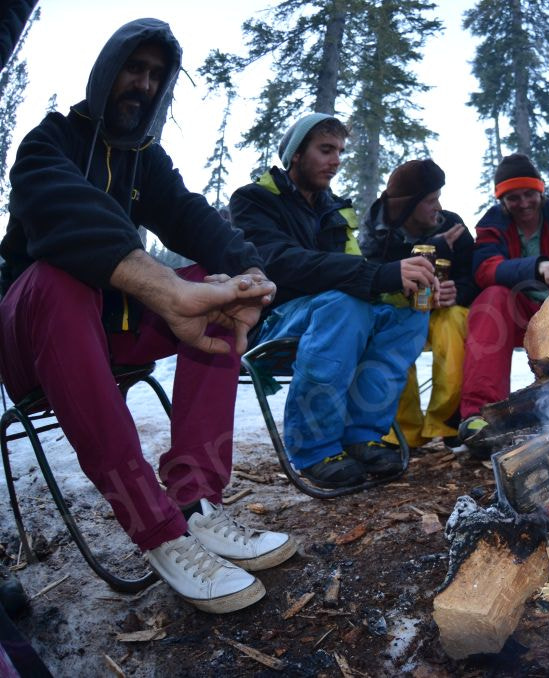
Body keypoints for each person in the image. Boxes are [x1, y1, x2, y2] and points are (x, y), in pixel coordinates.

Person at [0, 19, 295, 614]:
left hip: (112, 333)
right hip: (31, 336)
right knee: (62, 278)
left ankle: (193, 502)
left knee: (215, 294)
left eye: (156, 76)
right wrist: (155, 281)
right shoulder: (48, 141)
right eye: (134, 69)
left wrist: (249, 275)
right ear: (107, 71)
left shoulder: (146, 161)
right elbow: (65, 210)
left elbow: (193, 218)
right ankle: (156, 527)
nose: (143, 84)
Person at [230, 113, 435, 488]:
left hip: (331, 317)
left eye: (340, 150)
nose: (336, 159)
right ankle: (315, 448)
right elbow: (279, 263)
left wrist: (402, 284)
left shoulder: (335, 210)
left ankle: (361, 435)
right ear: (295, 154)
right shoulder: (254, 200)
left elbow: (355, 270)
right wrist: (381, 275)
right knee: (342, 305)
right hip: (270, 318)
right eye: (326, 149)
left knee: (410, 315)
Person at [458, 154, 549, 441]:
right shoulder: (491, 225)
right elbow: (485, 269)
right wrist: (537, 266)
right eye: (513, 198)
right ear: (502, 201)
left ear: (540, 191)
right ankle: (480, 416)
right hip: (515, 312)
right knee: (491, 298)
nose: (523, 204)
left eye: (529, 194)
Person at [359, 159, 477, 448]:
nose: (438, 207)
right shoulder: (376, 233)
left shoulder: (453, 224)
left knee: (455, 325)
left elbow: (474, 275)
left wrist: (458, 292)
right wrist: (431, 250)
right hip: (398, 311)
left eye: (438, 198)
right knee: (391, 335)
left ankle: (448, 423)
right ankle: (402, 433)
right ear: (406, 206)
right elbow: (369, 279)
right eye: (430, 201)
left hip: (442, 313)